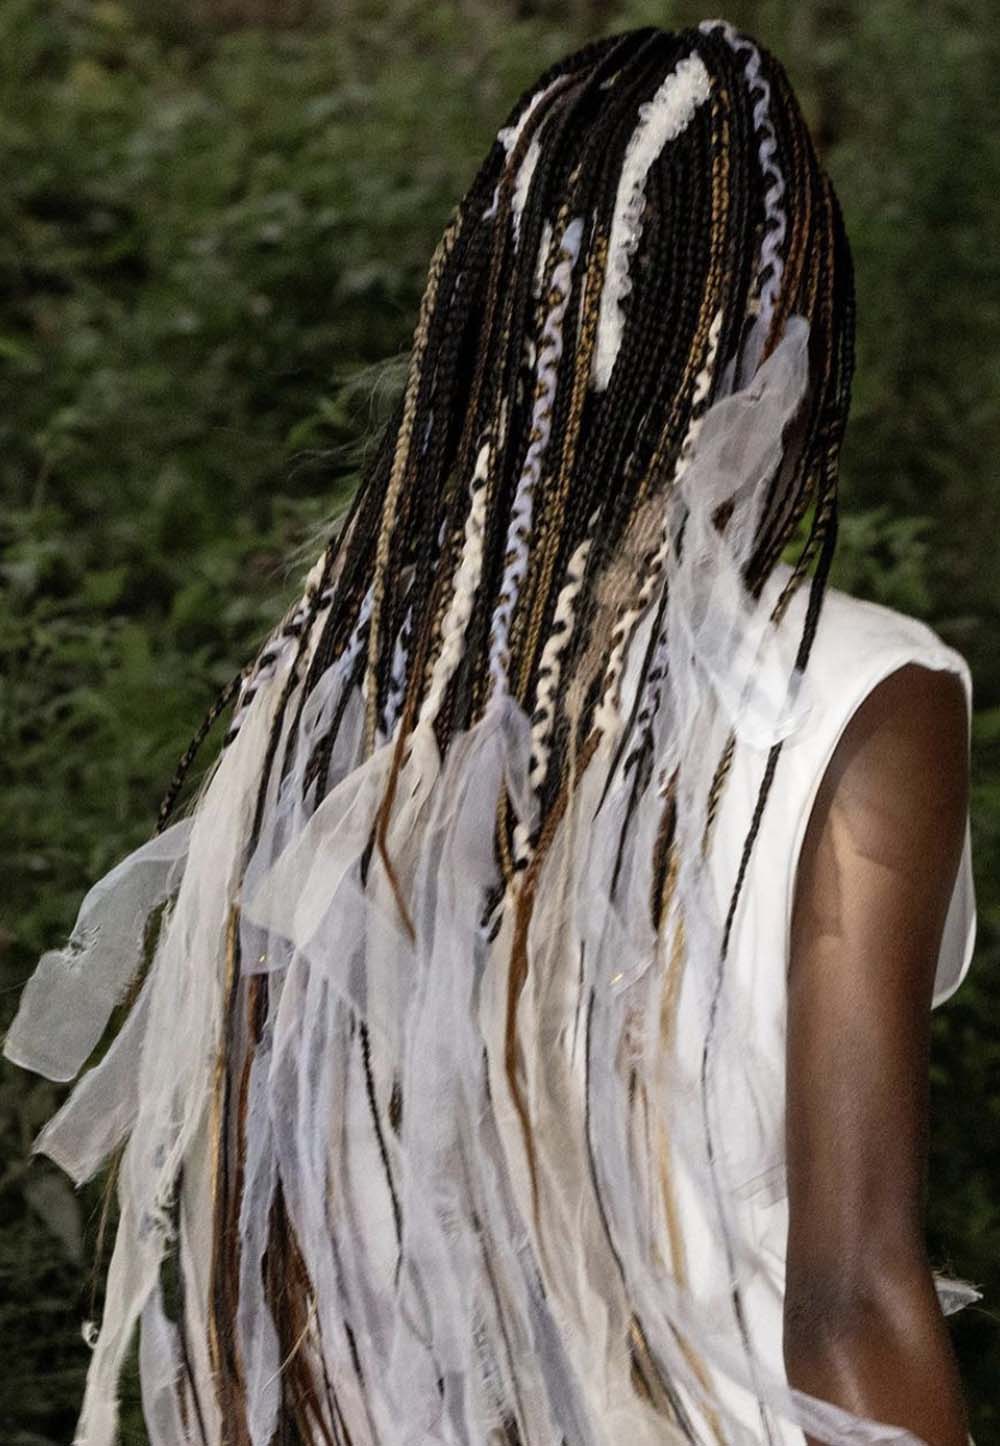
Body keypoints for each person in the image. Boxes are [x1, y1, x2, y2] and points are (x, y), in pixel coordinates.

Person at [3, 19, 981, 1446]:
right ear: (782, 325)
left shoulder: (321, 714)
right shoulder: (859, 696)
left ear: (491, 311)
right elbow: (847, 1293)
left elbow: (265, 1263)